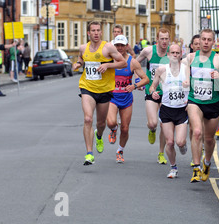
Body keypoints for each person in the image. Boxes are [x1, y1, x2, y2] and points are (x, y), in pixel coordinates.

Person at [73, 21, 127, 166]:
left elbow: (123, 63)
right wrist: (78, 64)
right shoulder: (83, 48)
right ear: (88, 33)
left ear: (101, 33)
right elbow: (81, 59)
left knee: (101, 123)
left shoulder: (108, 47)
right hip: (87, 87)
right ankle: (89, 154)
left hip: (104, 90)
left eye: (98, 30)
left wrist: (107, 65)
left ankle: (99, 135)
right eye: (93, 30)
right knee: (88, 119)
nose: (96, 33)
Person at [185, 28, 219, 183]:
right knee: (196, 132)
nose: (205, 42)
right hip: (194, 101)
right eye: (203, 39)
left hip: (212, 103)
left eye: (208, 40)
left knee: (209, 139)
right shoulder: (191, 58)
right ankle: (196, 168)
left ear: (213, 42)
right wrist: (184, 82)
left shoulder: (218, 59)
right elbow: (181, 73)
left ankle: (207, 162)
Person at [106, 35, 149, 163]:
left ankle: (120, 150)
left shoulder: (132, 62)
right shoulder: (109, 60)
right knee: (111, 122)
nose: (119, 48)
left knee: (125, 128)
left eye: (122, 45)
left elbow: (145, 79)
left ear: (126, 46)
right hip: (112, 97)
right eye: (117, 45)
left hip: (126, 99)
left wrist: (134, 86)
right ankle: (113, 130)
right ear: (114, 46)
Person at [149, 43, 189, 178]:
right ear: (168, 55)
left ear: (180, 55)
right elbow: (152, 86)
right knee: (170, 142)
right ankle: (173, 167)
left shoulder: (186, 69)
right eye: (172, 53)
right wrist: (154, 92)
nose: (175, 55)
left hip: (181, 110)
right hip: (166, 109)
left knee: (180, 142)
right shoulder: (161, 70)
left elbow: (191, 85)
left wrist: (187, 87)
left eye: (177, 53)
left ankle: (183, 146)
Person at [136, 28, 170, 164]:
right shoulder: (148, 51)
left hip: (167, 93)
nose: (164, 41)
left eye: (166, 38)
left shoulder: (173, 52)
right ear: (157, 39)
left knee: (164, 124)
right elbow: (134, 64)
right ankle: (151, 130)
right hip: (151, 90)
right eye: (161, 38)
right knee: (153, 123)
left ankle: (161, 153)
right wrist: (139, 80)